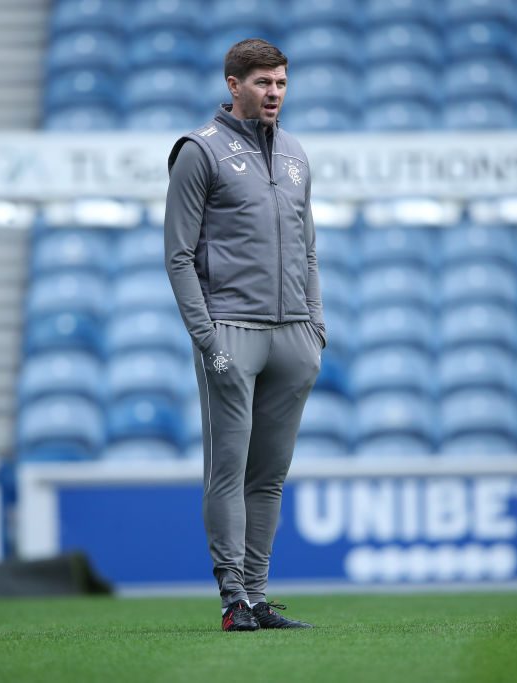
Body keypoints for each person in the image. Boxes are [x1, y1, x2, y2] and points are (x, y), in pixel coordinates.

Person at [164, 38, 325, 632]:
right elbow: (178, 256)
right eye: (263, 83)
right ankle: (233, 599)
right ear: (234, 85)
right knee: (228, 473)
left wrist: (316, 327)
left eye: (281, 83)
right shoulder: (197, 152)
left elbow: (308, 249)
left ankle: (257, 596)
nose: (274, 93)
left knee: (269, 476)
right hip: (232, 330)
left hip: (292, 336)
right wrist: (208, 339)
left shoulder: (297, 154)